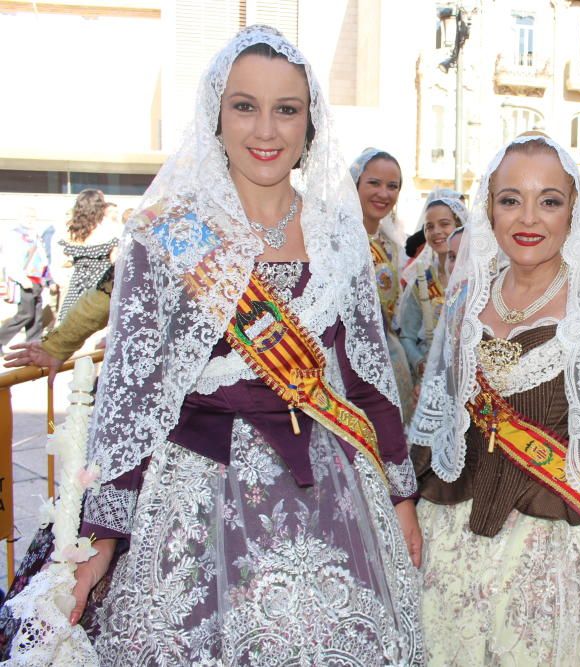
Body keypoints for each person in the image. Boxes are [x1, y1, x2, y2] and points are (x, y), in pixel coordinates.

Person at [1, 26, 425, 665]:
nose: (266, 129)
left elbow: (366, 379)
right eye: (244, 105)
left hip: (331, 491)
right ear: (215, 114)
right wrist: (100, 543)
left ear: (310, 124)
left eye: (287, 109)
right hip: (195, 498)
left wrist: (400, 498)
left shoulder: (340, 234)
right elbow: (132, 399)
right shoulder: (167, 234)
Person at [410, 135, 580, 665]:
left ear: (573, 211)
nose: (528, 218)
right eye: (511, 199)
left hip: (564, 547)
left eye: (550, 200)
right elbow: (437, 427)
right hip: (456, 541)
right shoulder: (467, 299)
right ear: (489, 209)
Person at [350, 147, 415, 422]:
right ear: (355, 185)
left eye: (393, 186)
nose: (384, 194)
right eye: (374, 183)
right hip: (348, 357)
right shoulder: (336, 239)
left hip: (388, 352)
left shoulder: (391, 244)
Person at [397, 188, 466, 381]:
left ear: (459, 226)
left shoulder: (478, 279)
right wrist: (420, 363)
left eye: (444, 224)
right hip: (432, 378)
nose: (436, 232)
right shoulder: (421, 282)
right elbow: (407, 336)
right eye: (429, 226)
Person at [56, 189, 119, 321]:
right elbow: (115, 261)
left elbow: (64, 262)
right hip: (102, 285)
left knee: (72, 325)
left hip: (77, 285)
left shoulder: (72, 230)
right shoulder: (109, 229)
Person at [0, 223, 51, 352]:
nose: (31, 220)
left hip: (37, 279)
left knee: (36, 316)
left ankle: (33, 345)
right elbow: (11, 260)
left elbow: (43, 258)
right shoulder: (15, 236)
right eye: (28, 217)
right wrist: (21, 278)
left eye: (33, 217)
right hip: (25, 279)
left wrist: (46, 278)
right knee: (26, 314)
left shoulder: (35, 236)